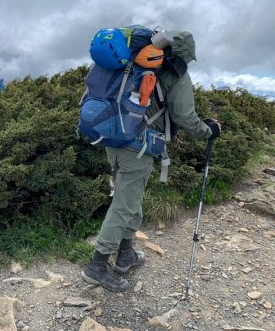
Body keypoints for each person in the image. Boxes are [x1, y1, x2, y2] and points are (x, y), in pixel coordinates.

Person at [80, 30, 221, 292]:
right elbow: (185, 117)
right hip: (139, 147)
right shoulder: (174, 74)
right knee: (124, 204)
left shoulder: (131, 63)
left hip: (113, 139)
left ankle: (125, 255)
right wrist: (208, 131)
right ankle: (96, 266)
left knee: (130, 199)